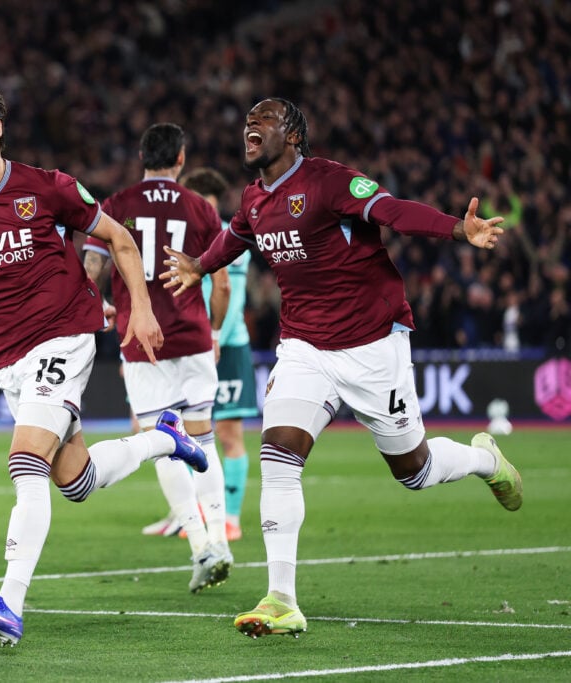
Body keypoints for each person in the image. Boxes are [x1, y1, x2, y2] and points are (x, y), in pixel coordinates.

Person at [161, 98, 523, 639]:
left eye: (265, 118)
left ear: (294, 136)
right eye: (248, 120)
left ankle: (483, 459)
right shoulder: (256, 197)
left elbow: (394, 211)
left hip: (372, 344)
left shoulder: (330, 182)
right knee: (278, 455)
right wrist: (199, 264)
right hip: (304, 347)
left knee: (415, 471)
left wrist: (456, 229)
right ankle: (281, 599)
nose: (251, 125)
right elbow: (237, 235)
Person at [0, 76, 208, 647]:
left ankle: (9, 602)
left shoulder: (48, 187)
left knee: (25, 461)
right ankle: (165, 438)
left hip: (65, 335)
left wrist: (139, 310)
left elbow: (121, 240)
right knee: (75, 480)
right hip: (8, 357)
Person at [82, 123, 232, 593]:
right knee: (204, 438)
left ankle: (200, 546)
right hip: (193, 336)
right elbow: (222, 284)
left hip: (141, 339)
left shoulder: (117, 204)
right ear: (181, 159)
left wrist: (96, 304)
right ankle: (221, 539)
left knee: (163, 443)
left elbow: (90, 268)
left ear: (142, 157)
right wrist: (216, 331)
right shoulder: (201, 207)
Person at [185, 167, 259, 542]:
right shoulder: (181, 239)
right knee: (189, 434)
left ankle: (231, 518)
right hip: (192, 346)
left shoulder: (231, 238)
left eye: (208, 206)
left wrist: (214, 337)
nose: (203, 213)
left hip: (226, 347)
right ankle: (200, 513)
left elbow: (232, 300)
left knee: (229, 434)